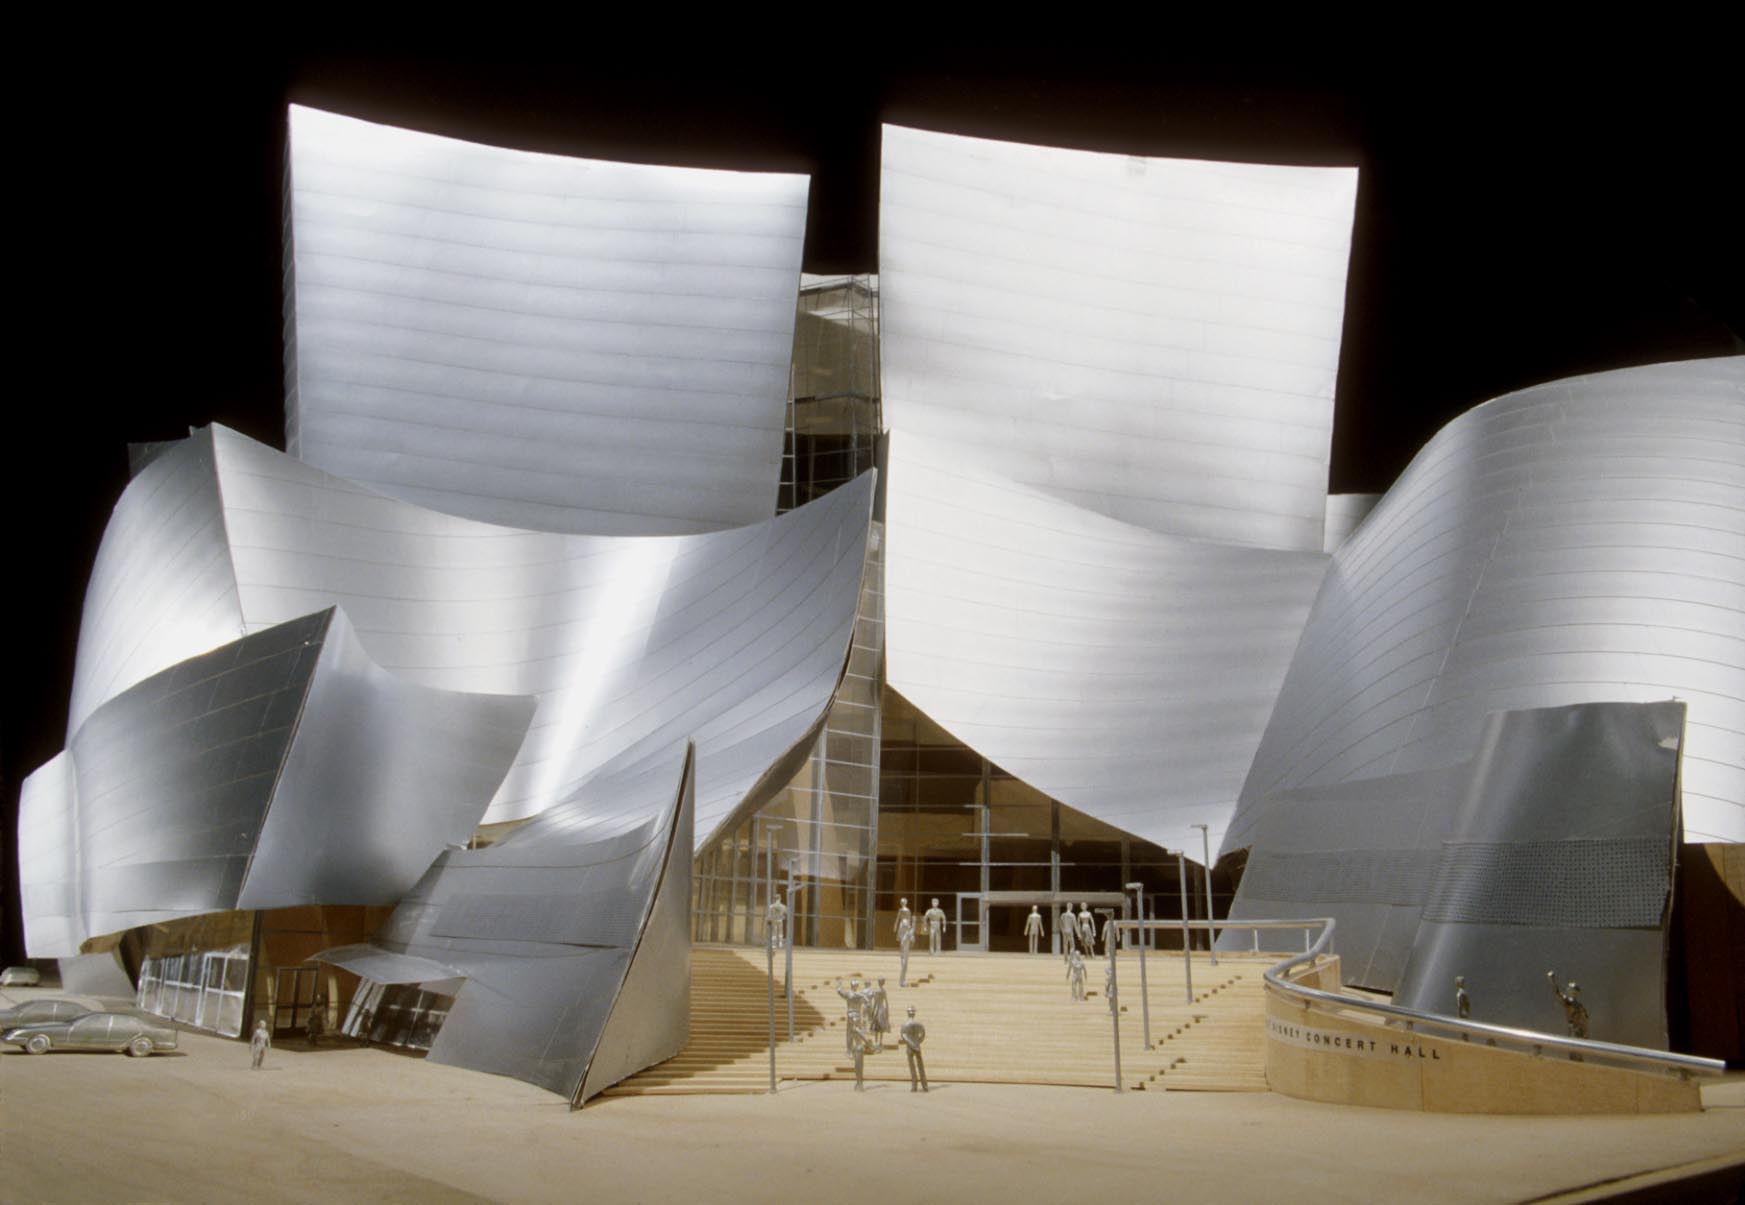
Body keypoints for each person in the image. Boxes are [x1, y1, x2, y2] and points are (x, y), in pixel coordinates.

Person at [1547, 972, 1588, 1039]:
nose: (1567, 989)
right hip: (1575, 1029)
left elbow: (1585, 1019)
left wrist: (1552, 981)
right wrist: (1552, 982)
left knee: (1575, 1046)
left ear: (1573, 991)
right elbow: (1558, 994)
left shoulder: (1575, 1004)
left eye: (1570, 988)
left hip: (1578, 1031)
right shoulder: (1571, 1003)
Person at [900, 1005, 928, 1092]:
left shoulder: (905, 1024)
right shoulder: (919, 1024)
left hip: (910, 1047)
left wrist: (911, 1044)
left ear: (908, 1014)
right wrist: (917, 1043)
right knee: (920, 1066)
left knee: (912, 1067)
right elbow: (922, 1034)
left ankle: (914, 1085)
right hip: (917, 1045)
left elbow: (904, 1036)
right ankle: (924, 1085)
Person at [836, 978, 865, 1055]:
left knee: (849, 1033)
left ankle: (849, 1050)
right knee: (858, 1031)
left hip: (850, 1015)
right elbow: (867, 1002)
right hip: (858, 1015)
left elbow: (839, 991)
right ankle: (859, 1046)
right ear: (857, 986)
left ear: (851, 986)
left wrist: (839, 984)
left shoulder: (849, 994)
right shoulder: (860, 995)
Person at [866, 978, 891, 1052]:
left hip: (878, 1009)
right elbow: (886, 1002)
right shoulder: (883, 991)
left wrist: (873, 1011)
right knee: (881, 1027)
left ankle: (877, 1042)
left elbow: (875, 1002)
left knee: (876, 1027)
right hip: (882, 1009)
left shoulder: (876, 991)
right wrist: (887, 1011)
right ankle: (880, 1042)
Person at [897, 914, 916, 987]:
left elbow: (912, 930)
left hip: (906, 953)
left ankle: (903, 981)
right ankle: (901, 981)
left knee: (905, 967)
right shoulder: (904, 935)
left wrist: (914, 921)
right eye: (906, 926)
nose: (908, 926)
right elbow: (903, 943)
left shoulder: (908, 933)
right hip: (903, 953)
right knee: (904, 966)